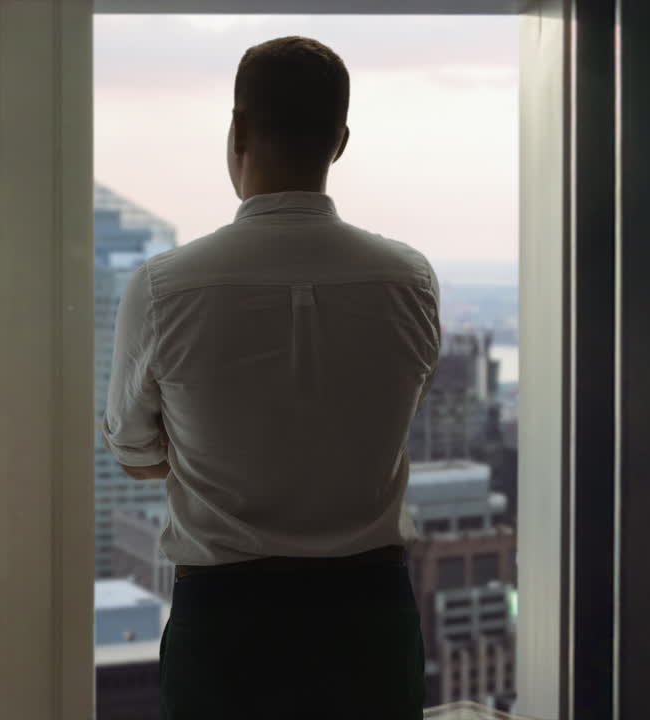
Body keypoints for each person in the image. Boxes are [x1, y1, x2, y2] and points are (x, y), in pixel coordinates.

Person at [101, 36, 439, 720]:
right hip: (369, 618)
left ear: (238, 130)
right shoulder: (410, 280)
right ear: (340, 141)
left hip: (228, 625)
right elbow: (392, 416)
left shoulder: (164, 287)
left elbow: (134, 455)